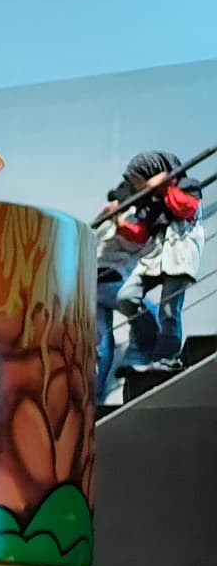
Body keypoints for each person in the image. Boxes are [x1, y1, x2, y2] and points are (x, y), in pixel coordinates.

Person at [95, 152, 202, 401]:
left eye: (138, 179)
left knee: (168, 310)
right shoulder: (147, 202)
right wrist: (118, 222)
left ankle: (166, 357)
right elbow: (140, 234)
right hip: (156, 258)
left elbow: (187, 209)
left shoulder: (186, 185)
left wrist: (165, 186)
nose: (137, 186)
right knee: (127, 296)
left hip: (179, 255)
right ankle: (147, 345)